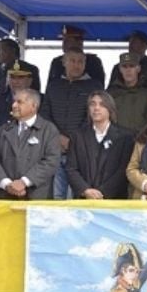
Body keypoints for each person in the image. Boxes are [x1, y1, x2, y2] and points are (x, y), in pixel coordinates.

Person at [42, 47, 103, 199]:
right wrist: (57, 137)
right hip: (55, 148)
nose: (76, 65)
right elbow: (44, 114)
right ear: (64, 62)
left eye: (80, 62)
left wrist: (73, 140)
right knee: (57, 195)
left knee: (79, 193)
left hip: (81, 148)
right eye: (72, 61)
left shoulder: (94, 86)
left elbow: (93, 116)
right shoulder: (53, 86)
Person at [0, 89, 62, 200]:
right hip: (5, 196)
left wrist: (24, 182)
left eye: (19, 102)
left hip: (37, 197)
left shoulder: (49, 130)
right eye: (14, 101)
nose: (14, 105)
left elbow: (51, 161)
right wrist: (6, 184)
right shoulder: (3, 130)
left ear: (33, 106)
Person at [66, 91, 134, 199]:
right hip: (83, 201)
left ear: (110, 109)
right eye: (92, 104)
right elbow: (71, 168)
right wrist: (85, 190)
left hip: (114, 200)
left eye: (102, 104)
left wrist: (102, 192)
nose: (96, 108)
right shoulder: (77, 136)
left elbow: (123, 169)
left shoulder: (125, 137)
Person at [106, 52, 147, 135]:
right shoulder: (110, 94)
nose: (128, 70)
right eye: (125, 67)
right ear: (120, 69)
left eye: (132, 66)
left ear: (138, 68)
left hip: (143, 140)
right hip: (118, 141)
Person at [108, 30, 147, 97]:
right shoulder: (118, 67)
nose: (131, 46)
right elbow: (110, 93)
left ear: (144, 45)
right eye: (130, 42)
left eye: (134, 42)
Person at [0, 60, 37, 132]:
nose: (15, 82)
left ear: (29, 81)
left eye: (20, 77)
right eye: (12, 77)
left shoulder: (40, 102)